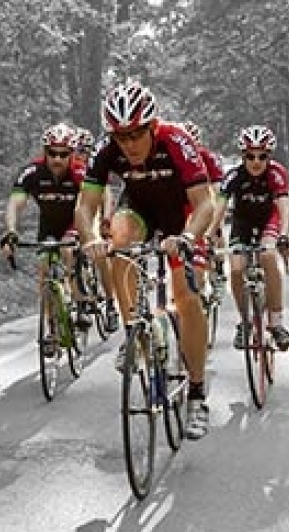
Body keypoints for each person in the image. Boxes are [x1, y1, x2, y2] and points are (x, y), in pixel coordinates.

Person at [75, 81, 215, 440]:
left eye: (137, 134)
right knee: (119, 238)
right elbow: (86, 205)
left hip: (183, 216)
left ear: (153, 127)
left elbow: (205, 203)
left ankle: (197, 394)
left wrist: (186, 237)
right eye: (121, 137)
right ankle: (135, 331)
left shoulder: (176, 140)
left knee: (186, 297)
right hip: (140, 211)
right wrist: (90, 238)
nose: (130, 143)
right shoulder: (108, 150)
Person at [0, 122, 92, 357]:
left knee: (69, 253)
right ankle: (51, 329)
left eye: (63, 154)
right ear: (45, 152)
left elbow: (89, 205)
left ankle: (80, 303)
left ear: (72, 154)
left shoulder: (81, 173)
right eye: (52, 153)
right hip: (49, 226)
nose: (57, 159)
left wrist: (87, 233)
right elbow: (15, 202)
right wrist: (10, 231)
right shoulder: (32, 172)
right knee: (44, 269)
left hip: (75, 221)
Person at [207, 125, 289, 351]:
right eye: (250, 156)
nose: (256, 161)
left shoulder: (277, 173)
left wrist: (284, 235)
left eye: (262, 156)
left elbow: (284, 208)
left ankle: (276, 324)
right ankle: (245, 322)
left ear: (269, 156)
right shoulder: (234, 176)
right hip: (242, 223)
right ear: (242, 156)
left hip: (269, 220)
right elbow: (220, 208)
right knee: (236, 268)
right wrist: (209, 235)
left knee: (267, 255)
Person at [70, 127, 119, 332]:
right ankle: (79, 300)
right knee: (69, 254)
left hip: (93, 213)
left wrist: (106, 218)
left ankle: (110, 303)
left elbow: (106, 196)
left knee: (100, 255)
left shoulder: (95, 167)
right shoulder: (68, 168)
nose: (81, 155)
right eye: (78, 151)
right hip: (73, 215)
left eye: (85, 151)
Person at [182, 120, 228, 292]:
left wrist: (215, 215)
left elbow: (217, 189)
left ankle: (220, 266)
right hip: (187, 205)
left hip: (207, 199)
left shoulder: (208, 157)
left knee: (217, 229)